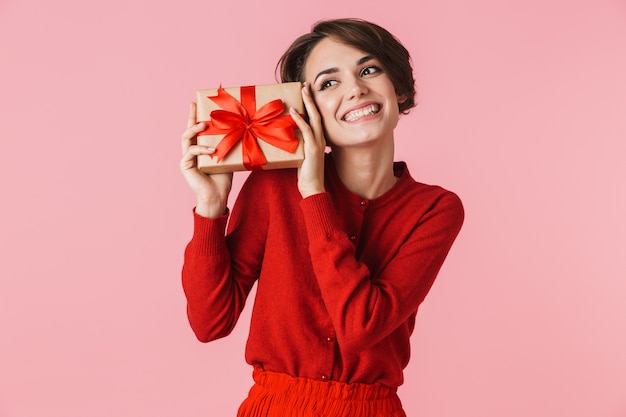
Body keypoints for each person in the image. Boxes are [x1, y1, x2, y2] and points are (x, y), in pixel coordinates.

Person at [179, 18, 464, 417]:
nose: (355, 89)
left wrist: (314, 194)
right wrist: (210, 209)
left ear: (398, 88)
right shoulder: (273, 187)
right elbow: (210, 323)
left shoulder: (435, 209)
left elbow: (360, 326)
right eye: (329, 83)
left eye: (369, 70)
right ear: (306, 110)